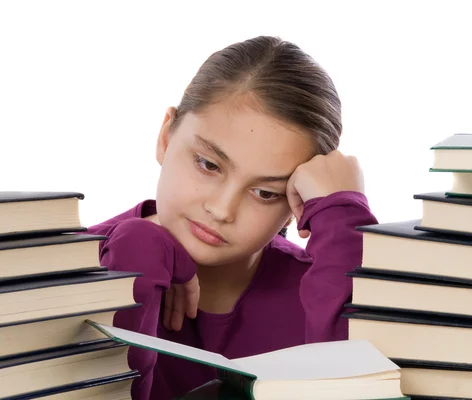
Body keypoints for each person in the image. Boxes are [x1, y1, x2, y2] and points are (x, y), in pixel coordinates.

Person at [87, 35, 378, 400]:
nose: (222, 210)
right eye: (208, 164)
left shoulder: (325, 292)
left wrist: (341, 213)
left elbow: (366, 386)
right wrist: (135, 261)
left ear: (296, 202)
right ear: (165, 135)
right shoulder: (59, 268)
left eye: (266, 193)